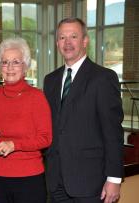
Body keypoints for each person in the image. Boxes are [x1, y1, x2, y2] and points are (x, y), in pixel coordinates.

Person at [43, 17, 124, 203]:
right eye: (62, 38)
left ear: (85, 41)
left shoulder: (103, 78)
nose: (68, 42)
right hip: (56, 182)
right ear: (57, 43)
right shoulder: (50, 80)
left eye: (73, 36)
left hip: (91, 183)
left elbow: (113, 132)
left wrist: (114, 179)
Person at [0, 37, 52, 203]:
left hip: (29, 178)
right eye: (4, 62)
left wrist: (15, 145)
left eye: (15, 62)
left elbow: (45, 138)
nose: (9, 67)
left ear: (25, 66)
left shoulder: (36, 97)